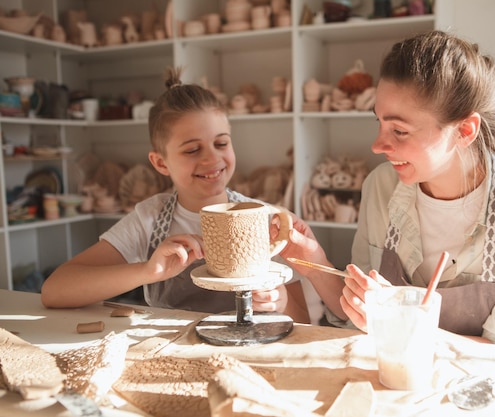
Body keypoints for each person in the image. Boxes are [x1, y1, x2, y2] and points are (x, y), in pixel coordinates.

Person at [282, 30, 495, 349]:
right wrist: (314, 262)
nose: (378, 145)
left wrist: (398, 323)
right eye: (378, 123)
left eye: (399, 130)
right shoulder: (381, 186)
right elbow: (356, 316)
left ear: (465, 130)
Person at [41, 67, 310, 324]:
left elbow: (305, 322)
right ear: (160, 163)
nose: (212, 158)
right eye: (193, 150)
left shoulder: (265, 221)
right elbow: (55, 290)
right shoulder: (149, 219)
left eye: (221, 143)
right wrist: (148, 271)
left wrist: (282, 302)